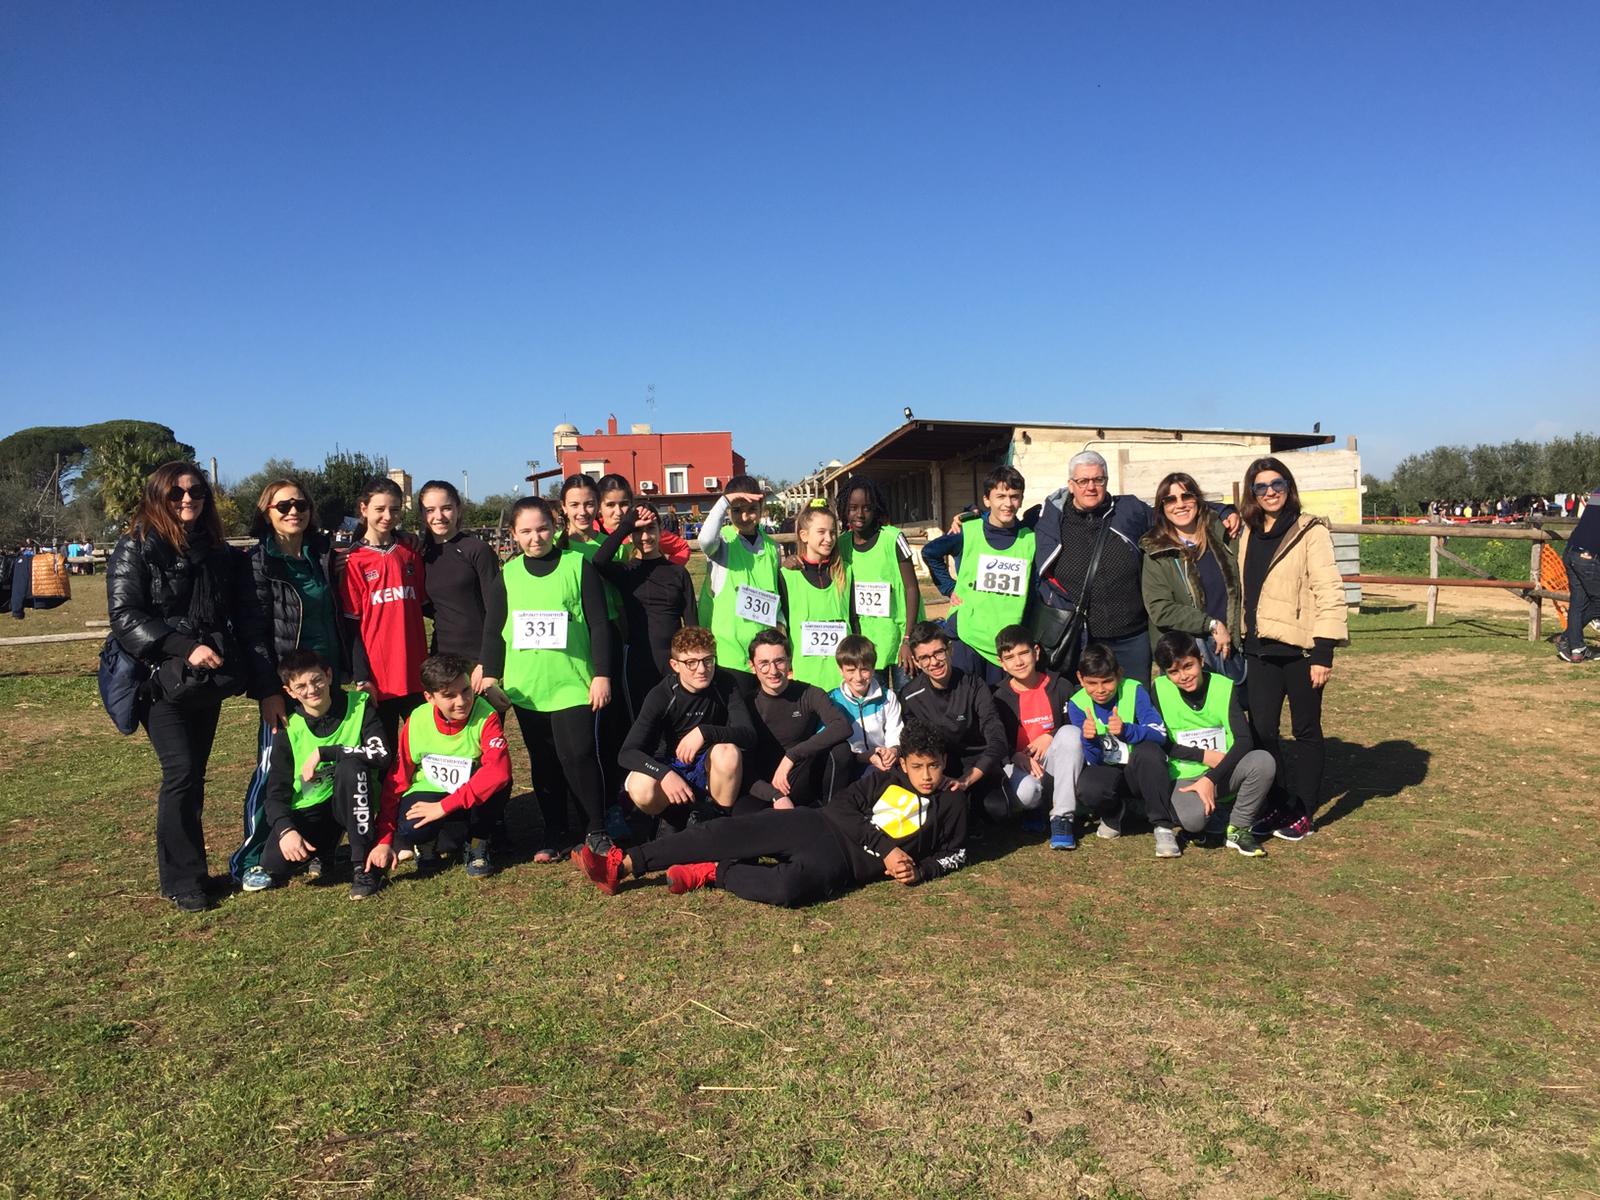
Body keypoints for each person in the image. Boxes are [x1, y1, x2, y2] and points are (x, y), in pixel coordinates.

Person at [578, 720, 968, 907]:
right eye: (918, 767)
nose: (927, 775)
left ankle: (715, 872)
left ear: (944, 761)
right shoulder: (886, 779)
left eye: (933, 766)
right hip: (815, 824)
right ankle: (623, 865)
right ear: (905, 763)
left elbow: (958, 853)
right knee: (728, 832)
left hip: (842, 865)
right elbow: (842, 808)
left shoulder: (952, 802)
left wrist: (922, 870)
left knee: (787, 891)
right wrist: (886, 849)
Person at [107, 462, 257, 911]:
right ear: (158, 497)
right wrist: (181, 645)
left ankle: (194, 871)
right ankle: (181, 880)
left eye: (195, 492)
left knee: (194, 776)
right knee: (181, 773)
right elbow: (125, 616)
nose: (187, 499)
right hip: (155, 679)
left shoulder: (214, 550)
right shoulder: (136, 547)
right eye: (176, 493)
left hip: (199, 681)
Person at [1034, 451, 1240, 690]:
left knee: (1135, 701)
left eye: (1098, 480)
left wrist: (1223, 510)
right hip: (1082, 637)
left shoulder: (1129, 509)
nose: (1091, 487)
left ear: (1106, 481)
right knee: (1091, 707)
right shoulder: (1052, 520)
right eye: (1083, 481)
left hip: (1132, 637)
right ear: (1071, 485)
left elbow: (1172, 510)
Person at [480, 496, 615, 861]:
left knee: (580, 755)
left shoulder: (577, 566)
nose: (535, 537)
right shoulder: (507, 576)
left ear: (555, 527)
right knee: (543, 761)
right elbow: (493, 632)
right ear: (513, 534)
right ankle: (555, 830)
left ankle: (596, 828)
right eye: (525, 531)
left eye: (542, 528)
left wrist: (602, 674)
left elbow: (600, 625)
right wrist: (490, 675)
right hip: (529, 688)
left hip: (573, 683)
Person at [231, 478, 347, 884]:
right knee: (274, 771)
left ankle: (320, 846)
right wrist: (267, 691)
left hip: (328, 679)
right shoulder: (258, 562)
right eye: (283, 506)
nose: (293, 511)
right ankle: (253, 857)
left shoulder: (323, 554)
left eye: (300, 504)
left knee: (330, 766)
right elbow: (253, 633)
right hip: (287, 686)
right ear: (267, 513)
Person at [1235, 457, 1348, 841]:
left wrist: (1324, 652)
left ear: (1289, 487)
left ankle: (1304, 810)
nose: (1270, 492)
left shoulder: (1309, 531)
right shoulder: (1248, 532)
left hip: (1301, 651)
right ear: (1252, 493)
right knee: (1263, 731)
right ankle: (1280, 802)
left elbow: (1329, 591)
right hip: (1258, 649)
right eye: (1261, 487)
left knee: (1305, 731)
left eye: (1277, 484)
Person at [239, 649, 392, 898]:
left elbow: (382, 755)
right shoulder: (289, 728)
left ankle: (363, 866)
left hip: (352, 801)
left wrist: (326, 752)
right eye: (301, 686)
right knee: (273, 865)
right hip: (312, 809)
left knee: (352, 767)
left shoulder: (359, 705)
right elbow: (275, 793)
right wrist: (286, 830)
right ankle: (326, 850)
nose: (312, 690)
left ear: (329, 675)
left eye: (317, 680)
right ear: (289, 692)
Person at [387, 652, 513, 879]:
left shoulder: (486, 715)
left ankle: (477, 842)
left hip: (466, 796)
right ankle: (425, 845)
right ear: (429, 697)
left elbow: (498, 771)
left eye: (465, 690)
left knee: (499, 783)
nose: (462, 701)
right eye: (449, 695)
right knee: (411, 829)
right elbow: (397, 778)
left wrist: (443, 807)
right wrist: (386, 837)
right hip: (430, 791)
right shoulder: (416, 719)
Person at [1151, 632, 1277, 858]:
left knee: (1264, 761)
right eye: (1173, 671)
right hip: (1184, 777)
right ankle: (1209, 812)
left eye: (1188, 666)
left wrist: (1211, 778)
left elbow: (1244, 740)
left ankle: (1238, 827)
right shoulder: (1159, 689)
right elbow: (1161, 742)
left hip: (1223, 771)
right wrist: (1202, 756)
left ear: (1200, 659)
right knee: (1193, 821)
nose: (1183, 676)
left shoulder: (1223, 686)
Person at [618, 625, 755, 823]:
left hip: (708, 767)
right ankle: (669, 818)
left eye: (708, 660)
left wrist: (704, 732)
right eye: (691, 662)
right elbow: (627, 753)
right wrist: (664, 774)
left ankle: (718, 822)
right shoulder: (661, 694)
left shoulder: (725, 682)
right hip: (670, 766)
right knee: (641, 787)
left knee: (728, 753)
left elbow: (748, 734)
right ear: (675, 665)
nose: (702, 669)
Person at [921, 465, 1033, 684]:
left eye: (1014, 497)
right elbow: (930, 552)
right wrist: (948, 587)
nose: (1007, 503)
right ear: (987, 500)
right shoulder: (968, 531)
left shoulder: (1030, 539)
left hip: (1006, 648)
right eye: (1000, 496)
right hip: (968, 639)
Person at [339, 477, 428, 751]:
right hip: (379, 679)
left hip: (417, 673)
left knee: (424, 748)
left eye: (395, 509)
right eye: (380, 509)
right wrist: (362, 677)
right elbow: (352, 626)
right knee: (384, 755)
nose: (388, 516)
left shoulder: (409, 552)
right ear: (363, 509)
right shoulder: (352, 560)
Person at [1065, 643, 1173, 856]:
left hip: (1138, 770)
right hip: (1108, 771)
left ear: (1119, 674)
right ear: (1080, 679)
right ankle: (1114, 812)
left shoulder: (1134, 690)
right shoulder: (1077, 704)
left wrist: (1127, 731)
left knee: (1150, 752)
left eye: (1107, 681)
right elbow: (1094, 762)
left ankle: (1162, 826)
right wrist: (1089, 740)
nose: (1100, 689)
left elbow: (1159, 734)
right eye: (1092, 683)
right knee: (1088, 788)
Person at [898, 620, 1008, 825]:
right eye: (924, 657)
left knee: (997, 810)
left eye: (938, 653)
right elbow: (912, 747)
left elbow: (997, 738)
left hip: (977, 765)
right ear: (916, 660)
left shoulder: (974, 684)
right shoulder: (910, 695)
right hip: (939, 767)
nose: (934, 662)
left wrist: (967, 780)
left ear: (950, 650)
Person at [594, 502, 699, 714]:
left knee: (676, 721)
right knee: (643, 724)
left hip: (674, 662)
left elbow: (692, 625)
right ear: (630, 535)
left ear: (661, 531)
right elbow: (599, 560)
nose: (645, 537)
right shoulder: (626, 572)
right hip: (637, 662)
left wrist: (691, 662)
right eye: (637, 531)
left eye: (650, 529)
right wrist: (626, 524)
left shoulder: (678, 573)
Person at [1140, 471, 1244, 681]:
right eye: (1170, 499)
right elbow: (1160, 609)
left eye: (1186, 496)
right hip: (1186, 656)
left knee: (1235, 712)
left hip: (1233, 648)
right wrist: (1211, 624)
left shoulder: (1223, 535)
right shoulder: (1157, 551)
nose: (1180, 504)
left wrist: (1227, 510)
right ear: (1162, 508)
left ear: (1197, 499)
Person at [990, 624, 1081, 845]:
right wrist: (1013, 755)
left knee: (1071, 733)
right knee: (1027, 793)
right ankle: (1034, 808)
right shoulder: (997, 696)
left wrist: (1052, 734)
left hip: (1054, 764)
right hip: (1021, 766)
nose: (1018, 662)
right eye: (1010, 657)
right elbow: (994, 738)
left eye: (1023, 653)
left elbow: (1075, 724)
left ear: (1036, 652)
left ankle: (1062, 817)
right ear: (1001, 662)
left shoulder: (1061, 686)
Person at [744, 628, 854, 808]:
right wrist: (775, 795)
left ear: (789, 661)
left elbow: (842, 726)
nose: (773, 671)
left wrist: (792, 755)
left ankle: (833, 813)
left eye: (779, 661)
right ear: (752, 666)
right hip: (763, 788)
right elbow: (745, 767)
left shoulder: (809, 693)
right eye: (764, 663)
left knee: (841, 750)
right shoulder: (747, 703)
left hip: (799, 778)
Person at [696, 475, 781, 684]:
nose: (744, 516)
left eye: (752, 509)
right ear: (728, 511)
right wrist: (725, 499)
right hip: (730, 656)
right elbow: (705, 539)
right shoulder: (722, 541)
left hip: (764, 657)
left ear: (762, 508)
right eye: (736, 510)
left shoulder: (772, 547)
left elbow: (776, 597)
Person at [417, 480, 500, 690]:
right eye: (430, 510)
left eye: (446, 508)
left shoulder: (476, 549)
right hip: (441, 660)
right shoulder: (420, 555)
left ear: (458, 509)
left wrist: (488, 662)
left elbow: (496, 610)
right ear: (423, 515)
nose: (439, 516)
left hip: (478, 659)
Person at [837, 476, 921, 683]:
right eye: (853, 507)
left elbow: (911, 588)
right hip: (866, 643)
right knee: (874, 703)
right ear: (844, 509)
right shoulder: (842, 544)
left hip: (900, 638)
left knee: (909, 702)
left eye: (867, 508)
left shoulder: (893, 538)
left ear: (876, 509)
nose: (859, 514)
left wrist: (908, 639)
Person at [779, 500, 853, 693]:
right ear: (804, 535)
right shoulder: (787, 576)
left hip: (843, 679)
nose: (828, 538)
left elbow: (854, 620)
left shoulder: (846, 573)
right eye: (821, 532)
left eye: (833, 532)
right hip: (804, 679)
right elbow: (780, 627)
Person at [828, 634, 902, 779]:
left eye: (864, 669)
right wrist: (864, 757)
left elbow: (896, 732)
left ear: (873, 669)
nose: (859, 677)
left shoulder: (888, 697)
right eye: (851, 670)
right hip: (848, 766)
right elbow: (829, 744)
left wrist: (892, 751)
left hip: (883, 765)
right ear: (840, 670)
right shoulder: (832, 700)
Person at [595, 473, 692, 566]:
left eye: (623, 504)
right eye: (610, 505)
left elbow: (682, 547)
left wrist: (668, 571)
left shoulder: (643, 529)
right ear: (598, 506)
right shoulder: (591, 531)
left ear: (631, 503)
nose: (618, 512)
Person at [1557, 487, 1600, 663]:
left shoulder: (1598, 491)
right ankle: (1567, 637)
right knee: (1597, 602)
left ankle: (1576, 649)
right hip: (1587, 557)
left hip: (1571, 550)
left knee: (1578, 603)